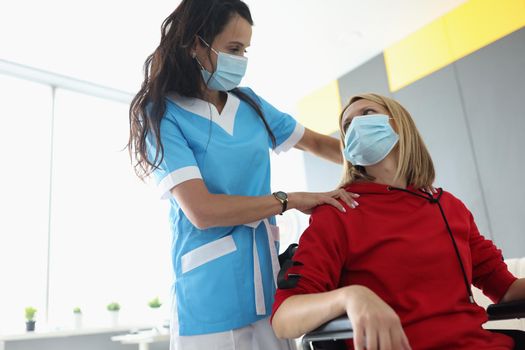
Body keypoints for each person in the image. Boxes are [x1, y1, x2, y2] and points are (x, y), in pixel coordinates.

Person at [127, 0, 360, 349]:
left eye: (245, 49)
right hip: (208, 301)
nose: (242, 60)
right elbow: (202, 211)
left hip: (267, 290)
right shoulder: (162, 114)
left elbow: (315, 143)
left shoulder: (249, 104)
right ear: (196, 43)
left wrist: (379, 157)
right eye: (233, 49)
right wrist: (288, 200)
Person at [271, 93, 525, 350]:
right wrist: (350, 297)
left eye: (367, 113)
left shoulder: (449, 206)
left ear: (399, 124)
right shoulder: (338, 212)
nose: (356, 125)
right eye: (347, 126)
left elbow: (505, 288)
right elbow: (284, 318)